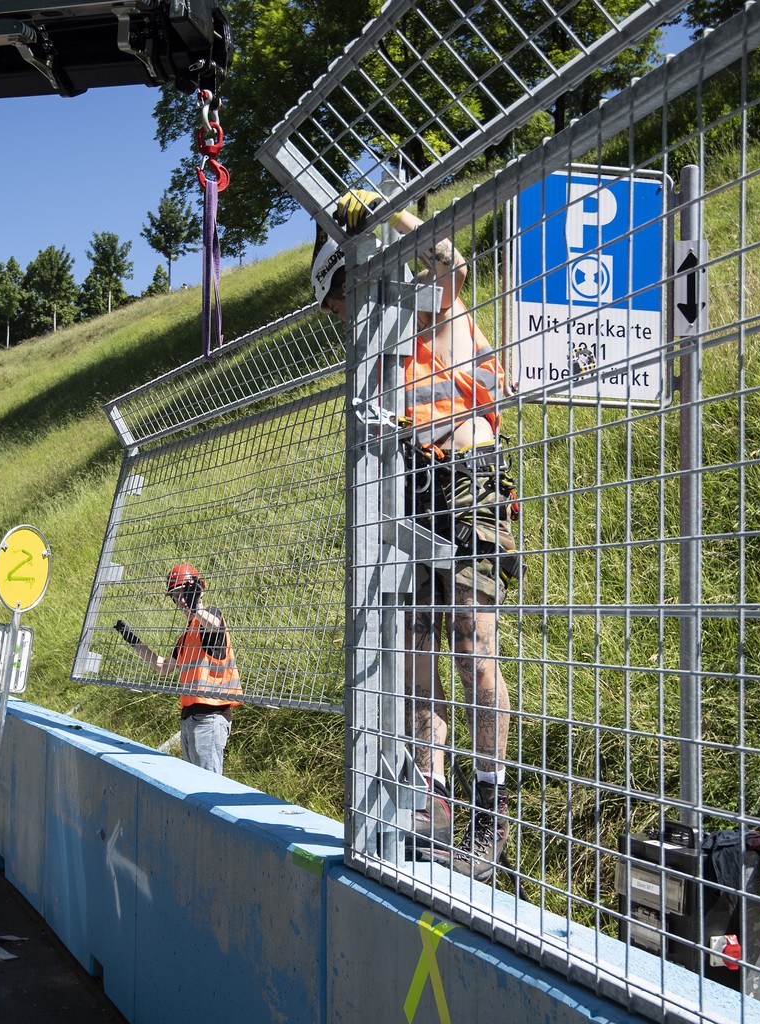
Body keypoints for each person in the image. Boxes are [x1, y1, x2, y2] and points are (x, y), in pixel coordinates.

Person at [314, 190, 520, 881]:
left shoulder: (426, 299)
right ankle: (432, 805)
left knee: (471, 638)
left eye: (337, 304)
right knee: (414, 650)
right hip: (412, 488)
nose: (339, 322)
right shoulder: (378, 347)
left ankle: (490, 815)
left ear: (353, 276)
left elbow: (451, 258)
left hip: (468, 474)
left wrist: (385, 216)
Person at [113, 563, 242, 775]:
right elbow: (162, 667)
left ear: (197, 590)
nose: (180, 600)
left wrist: (197, 608)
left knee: (207, 784)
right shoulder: (186, 635)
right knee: (193, 784)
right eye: (175, 596)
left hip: (210, 716)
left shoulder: (210, 615)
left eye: (184, 592)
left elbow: (213, 624)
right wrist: (133, 640)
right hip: (190, 718)